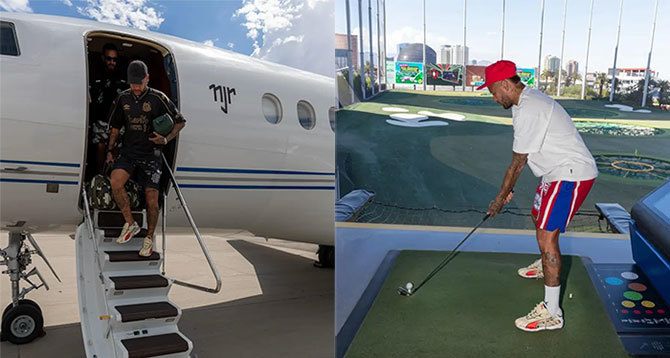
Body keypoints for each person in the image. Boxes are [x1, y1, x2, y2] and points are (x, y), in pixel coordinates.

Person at [479, 60, 598, 332]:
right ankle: (547, 265)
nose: (494, 98)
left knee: (547, 236)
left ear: (506, 85)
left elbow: (517, 163)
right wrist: (507, 190)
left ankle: (552, 312)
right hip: (554, 172)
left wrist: (500, 197)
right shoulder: (523, 101)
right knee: (538, 216)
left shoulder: (531, 107)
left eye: (494, 92)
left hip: (570, 173)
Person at [106, 60, 186, 257]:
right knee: (115, 181)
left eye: (139, 83)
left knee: (152, 199)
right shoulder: (123, 98)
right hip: (129, 152)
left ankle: (149, 237)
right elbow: (115, 128)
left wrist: (166, 139)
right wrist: (110, 150)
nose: (136, 87)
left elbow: (180, 122)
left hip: (152, 155)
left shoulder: (159, 98)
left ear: (147, 78)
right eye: (132, 83)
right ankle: (131, 223)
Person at [91, 43, 126, 173]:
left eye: (114, 59)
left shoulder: (122, 78)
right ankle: (100, 179)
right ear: (102, 58)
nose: (112, 62)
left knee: (115, 154)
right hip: (100, 120)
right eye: (108, 59)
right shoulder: (94, 75)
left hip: (117, 123)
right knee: (100, 151)